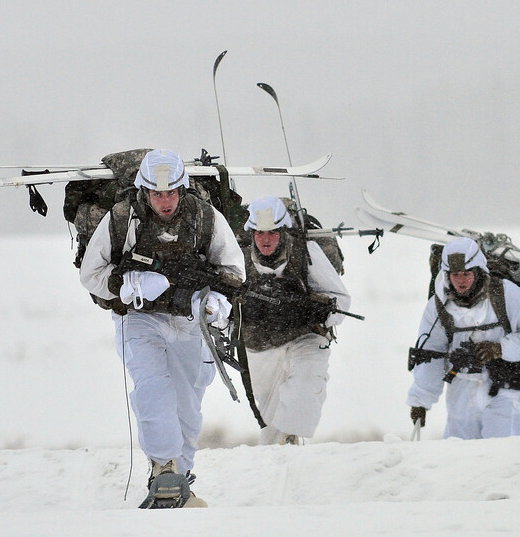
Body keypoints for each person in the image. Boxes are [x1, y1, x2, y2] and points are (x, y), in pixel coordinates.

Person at [79, 149, 245, 508]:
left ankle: (178, 477)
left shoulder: (206, 217)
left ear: (183, 189)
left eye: (171, 193)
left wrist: (216, 300)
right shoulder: (121, 219)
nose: (165, 201)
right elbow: (91, 274)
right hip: (138, 319)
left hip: (190, 321)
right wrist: (127, 285)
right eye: (157, 193)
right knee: (153, 388)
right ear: (144, 190)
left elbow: (233, 268)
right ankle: (162, 468)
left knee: (187, 404)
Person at [406, 237, 520, 439]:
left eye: (466, 273)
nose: (461, 280)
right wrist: (420, 400)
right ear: (447, 275)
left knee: (505, 454)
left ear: (479, 271)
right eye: (455, 274)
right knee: (458, 456)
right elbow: (431, 353)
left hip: (503, 389)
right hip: (461, 390)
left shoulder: (507, 295)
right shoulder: (438, 306)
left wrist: (500, 349)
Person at [239, 196, 351, 445]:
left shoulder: (306, 253)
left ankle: (291, 436)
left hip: (305, 335)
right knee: (269, 413)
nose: (265, 240)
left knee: (308, 380)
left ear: (282, 231)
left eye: (272, 233)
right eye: (259, 233)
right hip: (259, 344)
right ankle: (274, 460)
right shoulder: (239, 258)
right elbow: (220, 306)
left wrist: (312, 311)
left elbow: (342, 301)